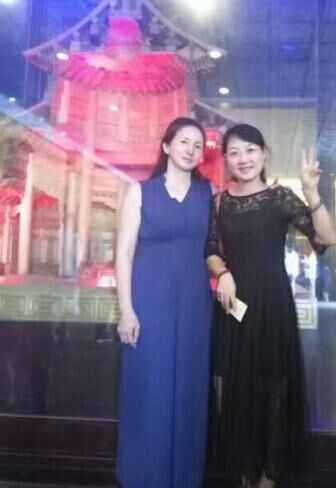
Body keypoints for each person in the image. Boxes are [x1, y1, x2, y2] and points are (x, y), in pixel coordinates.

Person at [205, 124, 336, 487]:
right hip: (232, 306)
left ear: (263, 154)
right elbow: (210, 250)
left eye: (250, 150)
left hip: (273, 305)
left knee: (273, 389)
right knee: (234, 390)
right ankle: (243, 470)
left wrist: (311, 192)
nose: (243, 159)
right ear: (225, 158)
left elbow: (325, 238)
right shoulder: (218, 202)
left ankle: (269, 474)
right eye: (234, 152)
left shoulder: (280, 198)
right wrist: (223, 273)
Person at [115, 117, 213, 487]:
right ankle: (143, 476)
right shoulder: (140, 192)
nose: (191, 149)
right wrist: (127, 310)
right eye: (184, 141)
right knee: (149, 389)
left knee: (189, 391)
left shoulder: (208, 195)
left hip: (195, 309)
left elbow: (217, 249)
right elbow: (123, 254)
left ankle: (184, 478)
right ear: (167, 146)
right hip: (148, 305)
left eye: (197, 145)